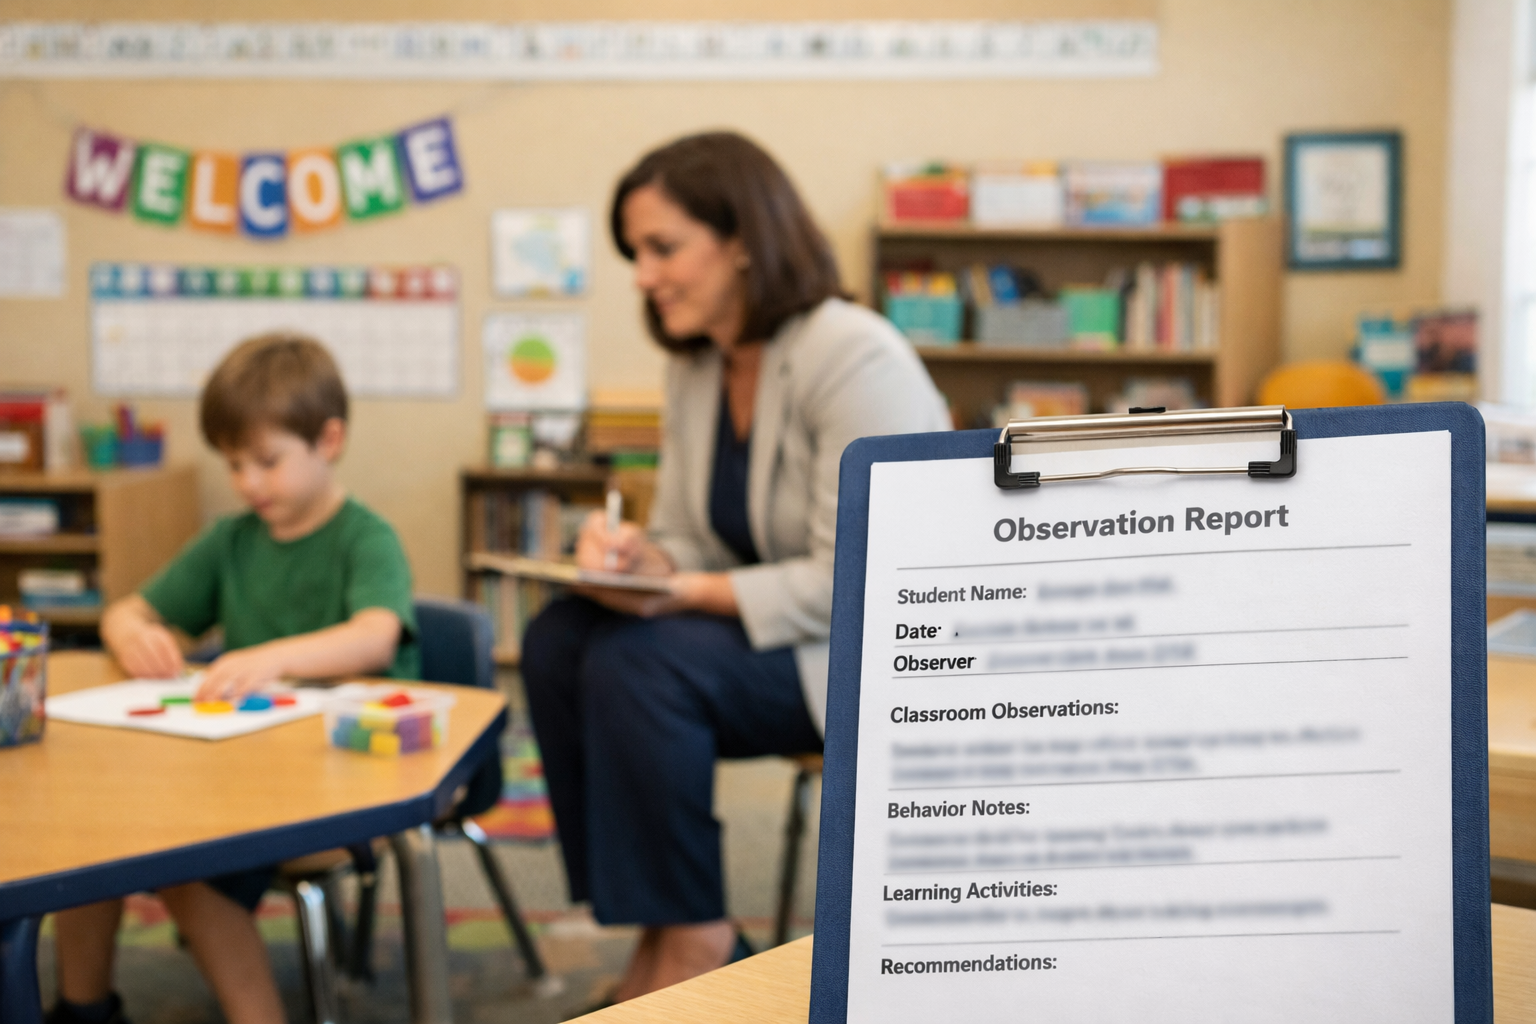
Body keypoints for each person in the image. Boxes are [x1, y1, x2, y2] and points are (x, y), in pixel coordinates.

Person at [520, 131, 951, 1003]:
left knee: (638, 661)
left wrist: (677, 591)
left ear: (744, 239)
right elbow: (690, 534)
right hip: (769, 642)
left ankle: (696, 936)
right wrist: (643, 559)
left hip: (874, 654)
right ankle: (665, 922)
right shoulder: (697, 368)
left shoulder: (854, 354)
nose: (642, 275)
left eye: (662, 248)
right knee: (561, 638)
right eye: (635, 254)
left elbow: (864, 581)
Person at [49, 334, 419, 1024]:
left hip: (343, 782)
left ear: (328, 440)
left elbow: (376, 637)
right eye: (235, 464)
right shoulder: (231, 540)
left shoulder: (365, 538)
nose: (248, 483)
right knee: (89, 830)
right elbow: (126, 610)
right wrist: (137, 636)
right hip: (235, 773)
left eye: (267, 462)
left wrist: (276, 656)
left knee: (182, 865)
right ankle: (82, 1005)